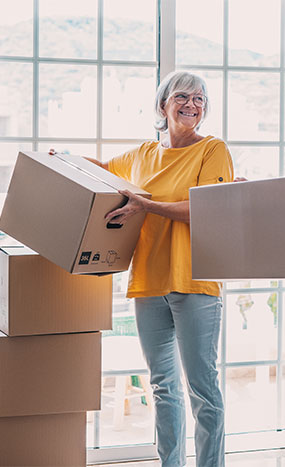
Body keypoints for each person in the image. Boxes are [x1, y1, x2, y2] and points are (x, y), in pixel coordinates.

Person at [59, 71, 232, 466]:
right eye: (183, 97)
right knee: (163, 387)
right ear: (163, 105)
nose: (192, 104)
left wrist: (146, 204)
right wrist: (63, 159)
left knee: (203, 390)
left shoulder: (212, 150)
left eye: (200, 99)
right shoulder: (142, 155)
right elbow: (102, 169)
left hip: (194, 283)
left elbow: (205, 210)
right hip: (149, 283)